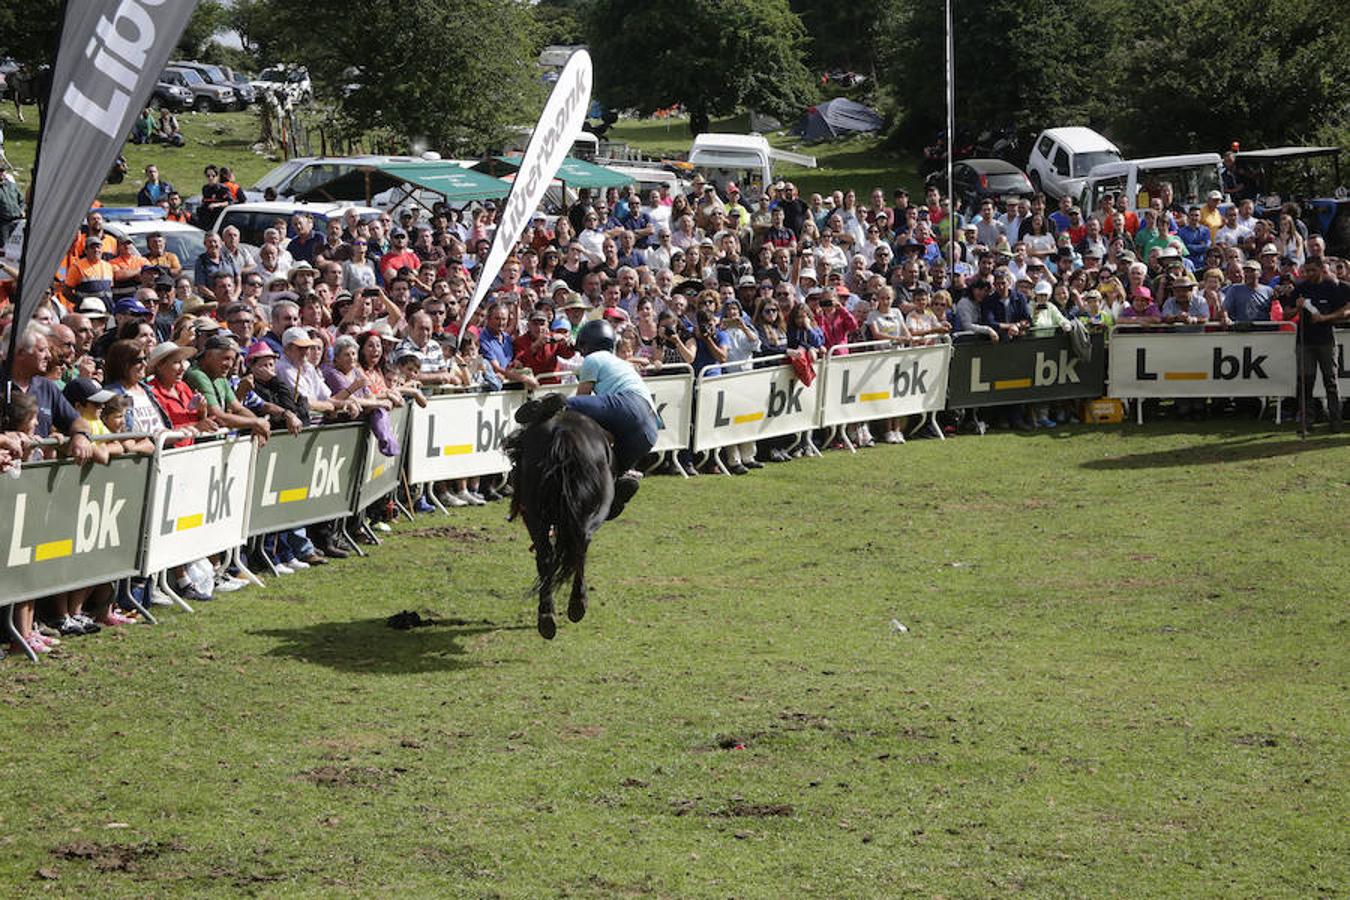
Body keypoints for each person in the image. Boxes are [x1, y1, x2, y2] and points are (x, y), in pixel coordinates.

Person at [513, 320, 660, 521]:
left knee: (570, 406)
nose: (581, 354)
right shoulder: (619, 362)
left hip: (627, 405)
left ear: (587, 344)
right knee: (609, 471)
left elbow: (583, 397)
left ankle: (542, 407)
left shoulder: (593, 359)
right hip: (649, 430)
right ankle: (613, 495)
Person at [1286, 256, 1349, 434]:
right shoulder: (1301, 288)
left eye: (1313, 270)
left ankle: (1335, 421)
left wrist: (1325, 318)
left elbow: (1345, 310)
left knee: (1330, 381)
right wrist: (1297, 309)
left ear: (1321, 269)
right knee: (1306, 382)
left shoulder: (1331, 287)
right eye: (1307, 271)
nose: (1309, 274)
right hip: (1305, 341)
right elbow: (1286, 314)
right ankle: (1307, 421)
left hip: (1326, 341)